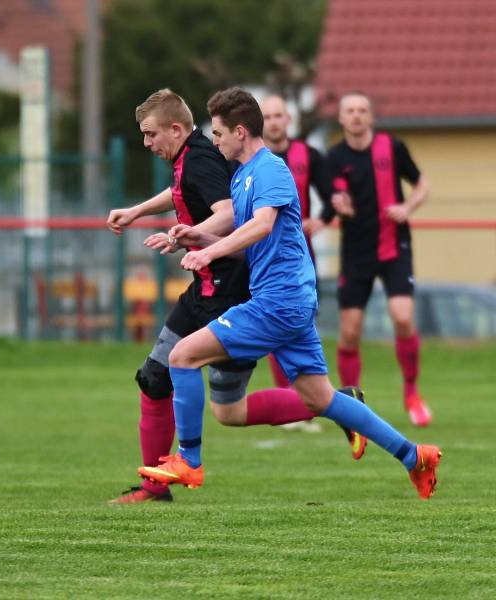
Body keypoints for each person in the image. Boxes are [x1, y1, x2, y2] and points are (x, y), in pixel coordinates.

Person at [138, 87, 441, 500]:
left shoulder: (270, 170)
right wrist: (196, 236)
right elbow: (252, 239)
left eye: (220, 133)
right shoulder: (244, 174)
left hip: (278, 302)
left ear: (241, 132)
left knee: (181, 356)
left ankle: (189, 461)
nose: (215, 141)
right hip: (285, 300)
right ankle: (415, 456)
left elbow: (263, 224)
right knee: (319, 397)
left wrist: (209, 249)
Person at [106, 89, 359, 504]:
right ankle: (336, 404)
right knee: (228, 410)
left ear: (175, 129)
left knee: (161, 375)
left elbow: (226, 212)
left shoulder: (202, 157)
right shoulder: (191, 158)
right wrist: (137, 211)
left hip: (224, 288)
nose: (147, 144)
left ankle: (161, 482)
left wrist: (202, 244)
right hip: (207, 285)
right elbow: (184, 194)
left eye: (151, 135)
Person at [326, 92, 432, 427]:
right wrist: (338, 204)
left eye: (362, 110)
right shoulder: (334, 157)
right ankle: (351, 404)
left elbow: (422, 184)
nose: (356, 116)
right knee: (350, 332)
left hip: (394, 245)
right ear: (341, 119)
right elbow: (332, 195)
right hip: (356, 250)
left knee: (402, 318)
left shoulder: (393, 147)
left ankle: (412, 393)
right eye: (350, 111)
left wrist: (407, 207)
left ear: (371, 117)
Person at [259, 95, 335, 419]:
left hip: (301, 256)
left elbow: (332, 196)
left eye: (279, 115)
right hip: (262, 257)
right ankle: (291, 401)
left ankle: (306, 399)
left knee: (303, 325)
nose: (274, 122)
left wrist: (322, 219)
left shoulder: (309, 155)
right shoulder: (253, 160)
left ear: (288, 119)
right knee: (271, 326)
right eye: (268, 117)